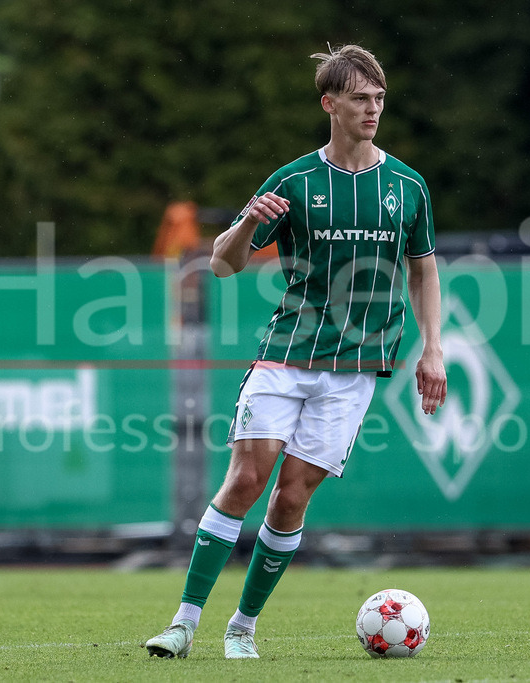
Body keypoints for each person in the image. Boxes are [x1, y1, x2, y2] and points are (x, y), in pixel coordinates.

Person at [145, 43, 447, 660]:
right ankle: (182, 623)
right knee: (247, 480)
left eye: (379, 99)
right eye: (360, 99)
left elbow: (423, 274)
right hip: (287, 354)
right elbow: (222, 266)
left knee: (292, 497)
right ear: (328, 103)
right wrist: (245, 224)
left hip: (356, 370)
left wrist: (432, 349)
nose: (372, 109)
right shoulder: (294, 180)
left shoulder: (407, 186)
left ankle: (242, 629)